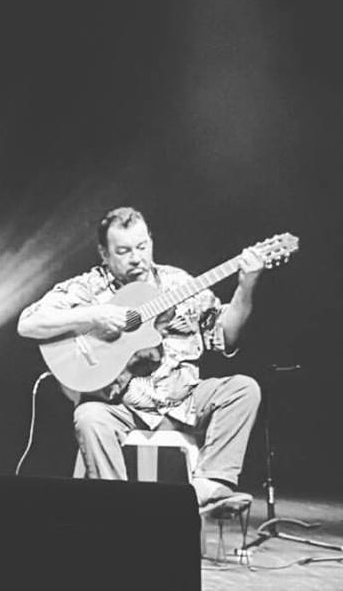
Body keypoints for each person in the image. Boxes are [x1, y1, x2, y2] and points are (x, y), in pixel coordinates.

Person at [16, 206, 262, 510]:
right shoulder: (88, 287)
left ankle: (208, 488)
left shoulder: (179, 282)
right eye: (124, 251)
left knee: (243, 389)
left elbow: (225, 335)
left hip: (184, 401)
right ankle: (119, 508)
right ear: (104, 254)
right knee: (89, 417)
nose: (136, 258)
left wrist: (246, 286)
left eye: (142, 246)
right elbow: (28, 324)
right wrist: (94, 315)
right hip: (124, 406)